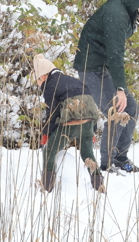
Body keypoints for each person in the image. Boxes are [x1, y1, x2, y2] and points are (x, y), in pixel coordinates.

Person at [73, 0, 139, 175]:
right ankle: (107, 165)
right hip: (91, 68)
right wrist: (121, 89)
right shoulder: (117, 14)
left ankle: (120, 159)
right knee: (116, 111)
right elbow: (115, 54)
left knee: (130, 108)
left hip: (102, 68)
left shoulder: (127, 13)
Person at [34, 54, 103, 193]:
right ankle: (99, 186)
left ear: (43, 76)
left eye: (38, 81)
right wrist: (93, 130)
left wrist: (46, 133)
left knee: (49, 151)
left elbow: (51, 113)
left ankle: (47, 188)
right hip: (88, 124)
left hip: (69, 125)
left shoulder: (50, 85)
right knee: (87, 154)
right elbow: (91, 106)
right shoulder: (76, 81)